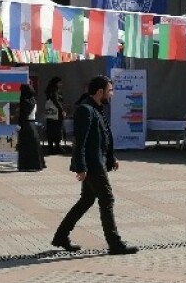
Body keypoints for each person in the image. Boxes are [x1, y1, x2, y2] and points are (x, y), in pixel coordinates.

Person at [52, 75, 136, 255]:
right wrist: (81, 167)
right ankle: (115, 243)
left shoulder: (96, 108)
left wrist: (111, 157)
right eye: (110, 90)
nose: (111, 94)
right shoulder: (86, 110)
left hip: (98, 162)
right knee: (107, 199)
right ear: (100, 92)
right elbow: (80, 142)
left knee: (86, 200)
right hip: (92, 165)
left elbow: (102, 137)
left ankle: (61, 236)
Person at [16, 82, 45, 171]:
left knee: (25, 146)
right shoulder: (33, 100)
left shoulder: (24, 101)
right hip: (33, 125)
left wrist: (19, 124)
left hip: (26, 125)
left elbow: (23, 115)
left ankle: (26, 165)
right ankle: (36, 164)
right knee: (34, 146)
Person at [44, 77, 66, 156]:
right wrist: (61, 110)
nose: (61, 84)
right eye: (60, 83)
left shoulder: (49, 89)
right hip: (56, 113)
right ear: (56, 83)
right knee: (57, 129)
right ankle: (57, 146)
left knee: (50, 129)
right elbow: (56, 101)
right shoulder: (55, 90)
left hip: (50, 113)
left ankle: (50, 147)